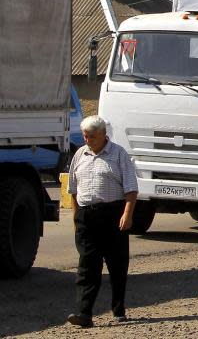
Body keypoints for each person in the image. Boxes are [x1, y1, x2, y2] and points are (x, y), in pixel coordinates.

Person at [67, 116, 138, 327]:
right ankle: (84, 313)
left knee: (116, 265)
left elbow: (131, 189)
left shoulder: (118, 154)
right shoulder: (80, 154)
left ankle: (118, 310)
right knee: (87, 265)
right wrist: (75, 218)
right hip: (86, 217)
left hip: (113, 215)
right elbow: (72, 189)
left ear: (103, 135)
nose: (88, 140)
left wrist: (127, 214)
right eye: (85, 136)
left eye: (92, 137)